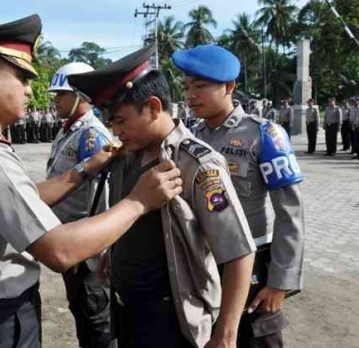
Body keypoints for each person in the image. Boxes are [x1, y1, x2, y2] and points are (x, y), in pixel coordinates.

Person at [0, 15, 183, 348]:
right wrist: (138, 201)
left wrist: (86, 168)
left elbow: (23, 199)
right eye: (22, 76)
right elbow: (60, 251)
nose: (29, 89)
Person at [69, 44, 255, 348]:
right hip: (126, 310)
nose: (116, 132)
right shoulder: (126, 157)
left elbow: (238, 251)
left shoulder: (196, 164)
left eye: (121, 120)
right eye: (111, 122)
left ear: (154, 107)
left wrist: (226, 335)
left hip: (173, 319)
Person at [172, 44, 305, 348]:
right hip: (203, 266)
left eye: (201, 86)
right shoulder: (192, 137)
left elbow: (290, 214)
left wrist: (280, 283)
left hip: (252, 266)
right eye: (187, 87)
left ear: (229, 86)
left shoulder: (264, 135)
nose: (190, 95)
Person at [47, 62, 114, 348]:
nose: (55, 101)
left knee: (97, 323)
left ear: (79, 95)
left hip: (87, 253)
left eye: (60, 95)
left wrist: (96, 254)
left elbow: (102, 199)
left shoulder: (92, 136)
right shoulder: (69, 130)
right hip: (71, 245)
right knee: (82, 317)